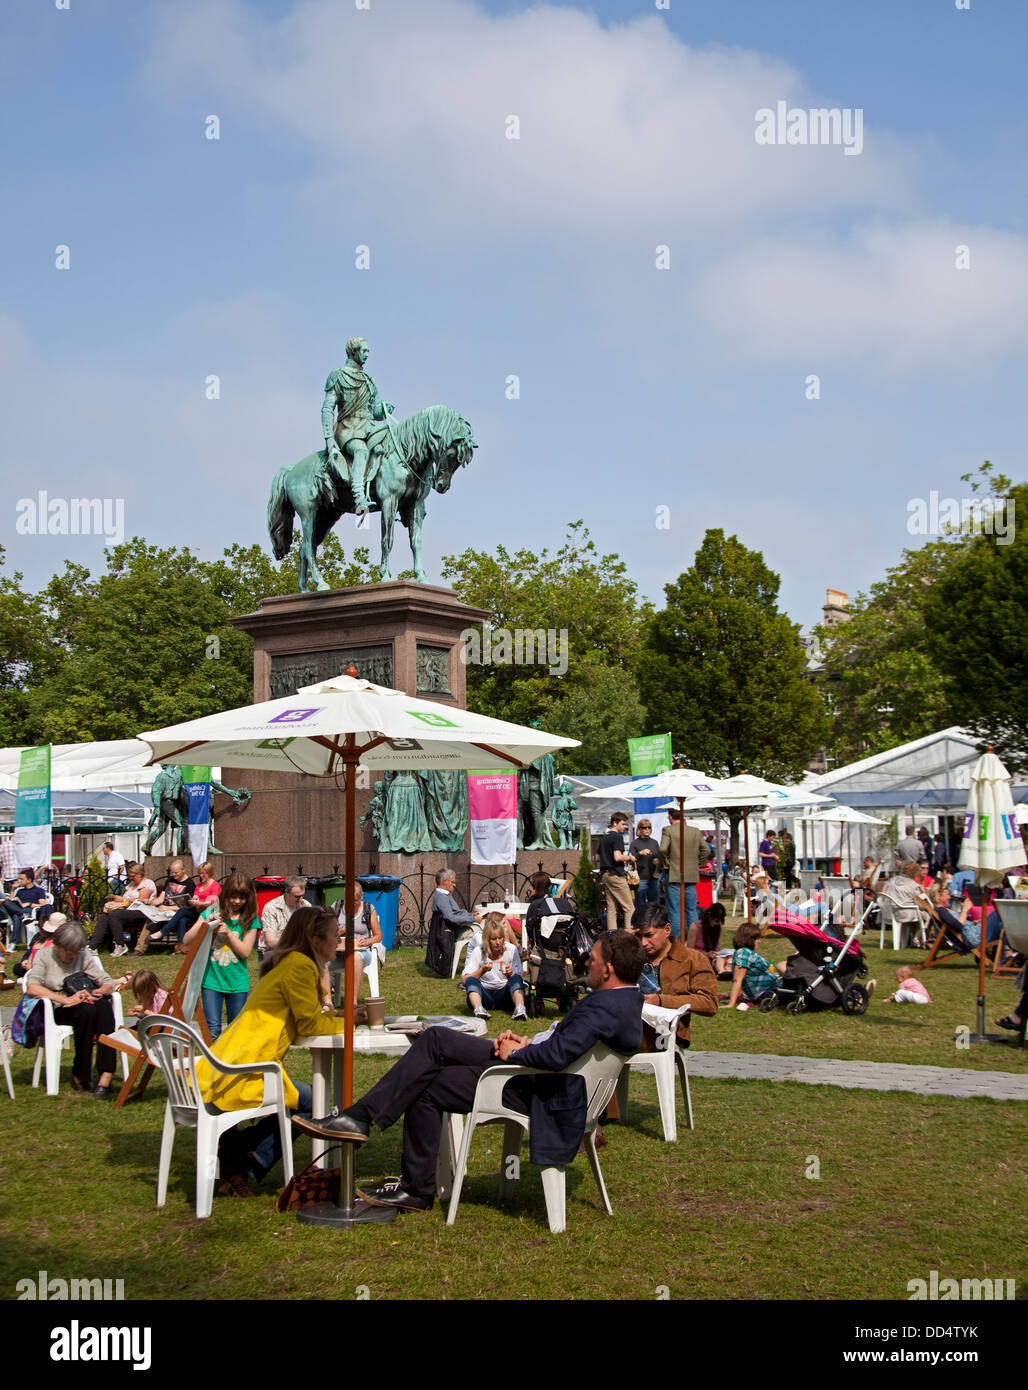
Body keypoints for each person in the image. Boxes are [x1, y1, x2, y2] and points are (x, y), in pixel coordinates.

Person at [292, 929, 648, 1213]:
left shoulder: (602, 1006)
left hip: (533, 1087)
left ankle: (383, 1146)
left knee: (428, 1070)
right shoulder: (627, 1001)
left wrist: (516, 1054)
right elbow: (566, 1048)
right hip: (543, 1077)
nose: (588, 961)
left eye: (594, 958)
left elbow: (557, 1057)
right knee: (434, 1043)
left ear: (610, 968)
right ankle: (390, 1156)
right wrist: (526, 1044)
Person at [195, 907, 355, 1195]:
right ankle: (245, 1160)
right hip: (247, 1064)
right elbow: (309, 1024)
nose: (339, 940)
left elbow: (307, 1018)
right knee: (311, 1102)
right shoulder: (301, 966)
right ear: (315, 940)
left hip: (234, 1057)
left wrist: (343, 1016)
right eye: (334, 935)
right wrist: (349, 1022)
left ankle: (238, 1154)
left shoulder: (292, 962)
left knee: (307, 1099)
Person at [24, 920, 118, 1096]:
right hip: (57, 1007)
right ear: (57, 946)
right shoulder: (44, 956)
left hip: (83, 1000)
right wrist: (65, 999)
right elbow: (32, 987)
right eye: (69, 952)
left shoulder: (82, 955)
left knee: (104, 1007)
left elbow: (107, 982)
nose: (73, 956)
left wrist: (99, 991)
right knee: (86, 1011)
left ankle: (107, 1072)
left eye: (76, 952)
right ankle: (80, 1073)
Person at [184, 874, 260, 1041]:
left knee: (235, 1032)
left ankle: (232, 1065)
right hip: (211, 981)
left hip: (237, 982)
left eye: (242, 898)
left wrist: (228, 934)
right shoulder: (212, 912)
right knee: (212, 1031)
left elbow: (245, 952)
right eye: (233, 896)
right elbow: (187, 939)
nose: (237, 901)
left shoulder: (251, 920)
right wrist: (205, 924)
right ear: (225, 895)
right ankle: (213, 1066)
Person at [631, 901, 717, 1047]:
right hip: (628, 1030)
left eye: (649, 935)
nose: (643, 942)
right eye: (638, 936)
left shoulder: (692, 959)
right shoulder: (629, 957)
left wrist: (661, 1001)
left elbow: (709, 1003)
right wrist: (620, 939)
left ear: (667, 929)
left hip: (668, 1035)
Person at [459, 913, 528, 1021]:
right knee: (471, 979)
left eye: (500, 938)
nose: (498, 943)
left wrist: (509, 975)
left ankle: (520, 1009)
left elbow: (518, 978)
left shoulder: (511, 950)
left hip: (504, 993)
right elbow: (464, 980)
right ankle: (479, 1009)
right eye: (494, 939)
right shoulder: (479, 951)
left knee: (516, 978)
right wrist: (482, 971)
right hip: (485, 994)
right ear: (487, 940)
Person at [658, 809, 710, 940]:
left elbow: (663, 849)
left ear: (670, 817)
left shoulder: (668, 830)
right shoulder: (695, 831)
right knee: (691, 909)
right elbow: (706, 850)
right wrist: (698, 864)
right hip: (691, 874)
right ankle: (695, 939)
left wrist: (666, 863)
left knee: (675, 909)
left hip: (674, 873)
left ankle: (676, 940)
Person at [90, 863, 157, 957]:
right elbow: (125, 899)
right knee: (104, 916)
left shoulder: (147, 884)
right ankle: (93, 947)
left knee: (114, 914)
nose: (130, 878)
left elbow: (141, 901)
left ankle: (120, 945)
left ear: (140, 874)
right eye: (129, 876)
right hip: (127, 910)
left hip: (141, 911)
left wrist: (123, 900)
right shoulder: (131, 885)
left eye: (132, 876)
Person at [153, 859, 220, 951]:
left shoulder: (215, 885)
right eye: (200, 873)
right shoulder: (199, 886)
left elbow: (212, 901)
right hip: (196, 911)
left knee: (182, 913)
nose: (201, 876)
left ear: (210, 873)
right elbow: (195, 896)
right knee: (182, 919)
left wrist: (198, 902)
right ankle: (181, 946)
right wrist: (193, 900)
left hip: (207, 913)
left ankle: (163, 932)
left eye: (203, 873)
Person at [134, 857, 196, 954]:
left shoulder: (190, 884)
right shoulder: (170, 880)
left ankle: (169, 938)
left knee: (181, 919)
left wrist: (167, 908)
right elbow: (161, 898)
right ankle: (139, 949)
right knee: (150, 919)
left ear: (183, 870)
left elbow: (186, 906)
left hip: (176, 912)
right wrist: (151, 902)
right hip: (164, 911)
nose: (174, 875)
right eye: (172, 872)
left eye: (176, 872)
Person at [722, 923, 781, 1009]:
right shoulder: (743, 953)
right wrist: (731, 1004)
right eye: (757, 938)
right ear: (749, 939)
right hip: (769, 991)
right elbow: (737, 980)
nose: (759, 941)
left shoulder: (745, 952)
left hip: (770, 989)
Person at [258, 877, 310, 960]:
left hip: (298, 953)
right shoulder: (272, 907)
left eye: (302, 895)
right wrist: (299, 942)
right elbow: (271, 942)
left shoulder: (306, 906)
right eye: (297, 896)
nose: (300, 899)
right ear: (286, 892)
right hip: (273, 953)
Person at [599, 812, 635, 930]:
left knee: (612, 908)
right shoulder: (617, 837)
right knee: (629, 908)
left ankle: (611, 935)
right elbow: (617, 857)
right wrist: (629, 858)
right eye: (623, 824)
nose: (625, 827)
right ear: (615, 823)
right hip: (615, 874)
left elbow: (599, 855)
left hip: (605, 874)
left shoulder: (605, 837)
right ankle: (630, 934)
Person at [1, 868, 52, 947]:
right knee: (6, 901)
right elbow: (13, 901)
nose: (19, 881)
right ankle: (23, 915)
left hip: (30, 910)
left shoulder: (38, 890)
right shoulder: (20, 891)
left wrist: (29, 904)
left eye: (22, 879)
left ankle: (13, 943)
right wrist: (12, 889)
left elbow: (43, 905)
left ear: (29, 880)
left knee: (15, 916)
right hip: (20, 910)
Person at [686, 902, 730, 974]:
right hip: (698, 957)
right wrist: (706, 954)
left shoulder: (719, 927)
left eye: (719, 921)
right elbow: (690, 950)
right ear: (709, 916)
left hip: (713, 958)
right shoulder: (695, 927)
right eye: (716, 921)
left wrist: (715, 954)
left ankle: (723, 971)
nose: (717, 924)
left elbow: (718, 946)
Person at [629, 819, 661, 906]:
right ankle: (641, 920)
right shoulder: (635, 843)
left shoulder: (654, 842)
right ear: (639, 829)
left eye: (649, 827)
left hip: (654, 877)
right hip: (640, 877)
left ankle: (653, 920)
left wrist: (657, 860)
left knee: (654, 904)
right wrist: (640, 853)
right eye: (644, 827)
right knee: (640, 904)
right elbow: (630, 858)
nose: (647, 829)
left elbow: (658, 856)